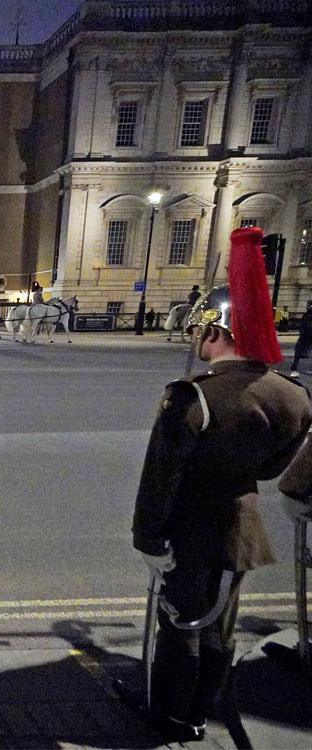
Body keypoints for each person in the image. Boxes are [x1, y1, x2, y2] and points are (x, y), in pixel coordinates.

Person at [126, 227, 312, 742]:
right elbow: (274, 468)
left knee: (181, 622)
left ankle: (171, 715)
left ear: (216, 334)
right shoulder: (293, 397)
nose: (194, 339)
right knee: (220, 623)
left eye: (198, 331)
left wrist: (148, 537)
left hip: (189, 528)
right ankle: (204, 707)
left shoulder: (192, 396)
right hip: (243, 526)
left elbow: (160, 477)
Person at [289, 301, 312, 376]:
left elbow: (303, 325)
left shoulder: (307, 314)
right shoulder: (309, 315)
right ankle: (294, 366)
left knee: (298, 352)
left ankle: (294, 366)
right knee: (300, 351)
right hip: (307, 336)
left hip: (304, 335)